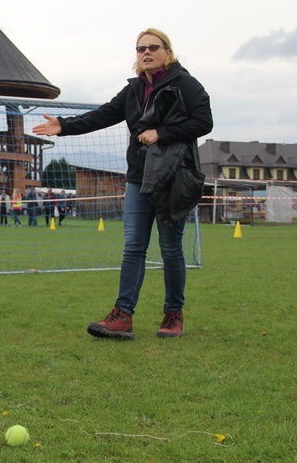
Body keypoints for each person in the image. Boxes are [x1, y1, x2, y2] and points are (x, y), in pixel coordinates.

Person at [32, 28, 212, 339]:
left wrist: (162, 132)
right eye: (141, 48)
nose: (146, 52)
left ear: (168, 52)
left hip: (172, 177)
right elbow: (102, 116)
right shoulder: (133, 90)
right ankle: (122, 315)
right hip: (137, 179)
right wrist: (63, 127)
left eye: (153, 47)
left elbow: (204, 121)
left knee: (170, 249)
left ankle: (173, 315)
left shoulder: (186, 85)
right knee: (133, 247)